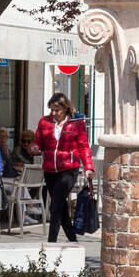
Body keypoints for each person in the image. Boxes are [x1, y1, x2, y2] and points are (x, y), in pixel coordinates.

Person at [35, 93, 94, 244]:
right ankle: (73, 240)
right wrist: (35, 147)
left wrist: (88, 167)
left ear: (65, 108)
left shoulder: (76, 123)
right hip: (50, 169)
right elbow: (39, 142)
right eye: (52, 109)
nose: (53, 113)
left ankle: (51, 243)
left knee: (55, 206)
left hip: (69, 169)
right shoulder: (44, 121)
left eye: (57, 110)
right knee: (60, 207)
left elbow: (83, 146)